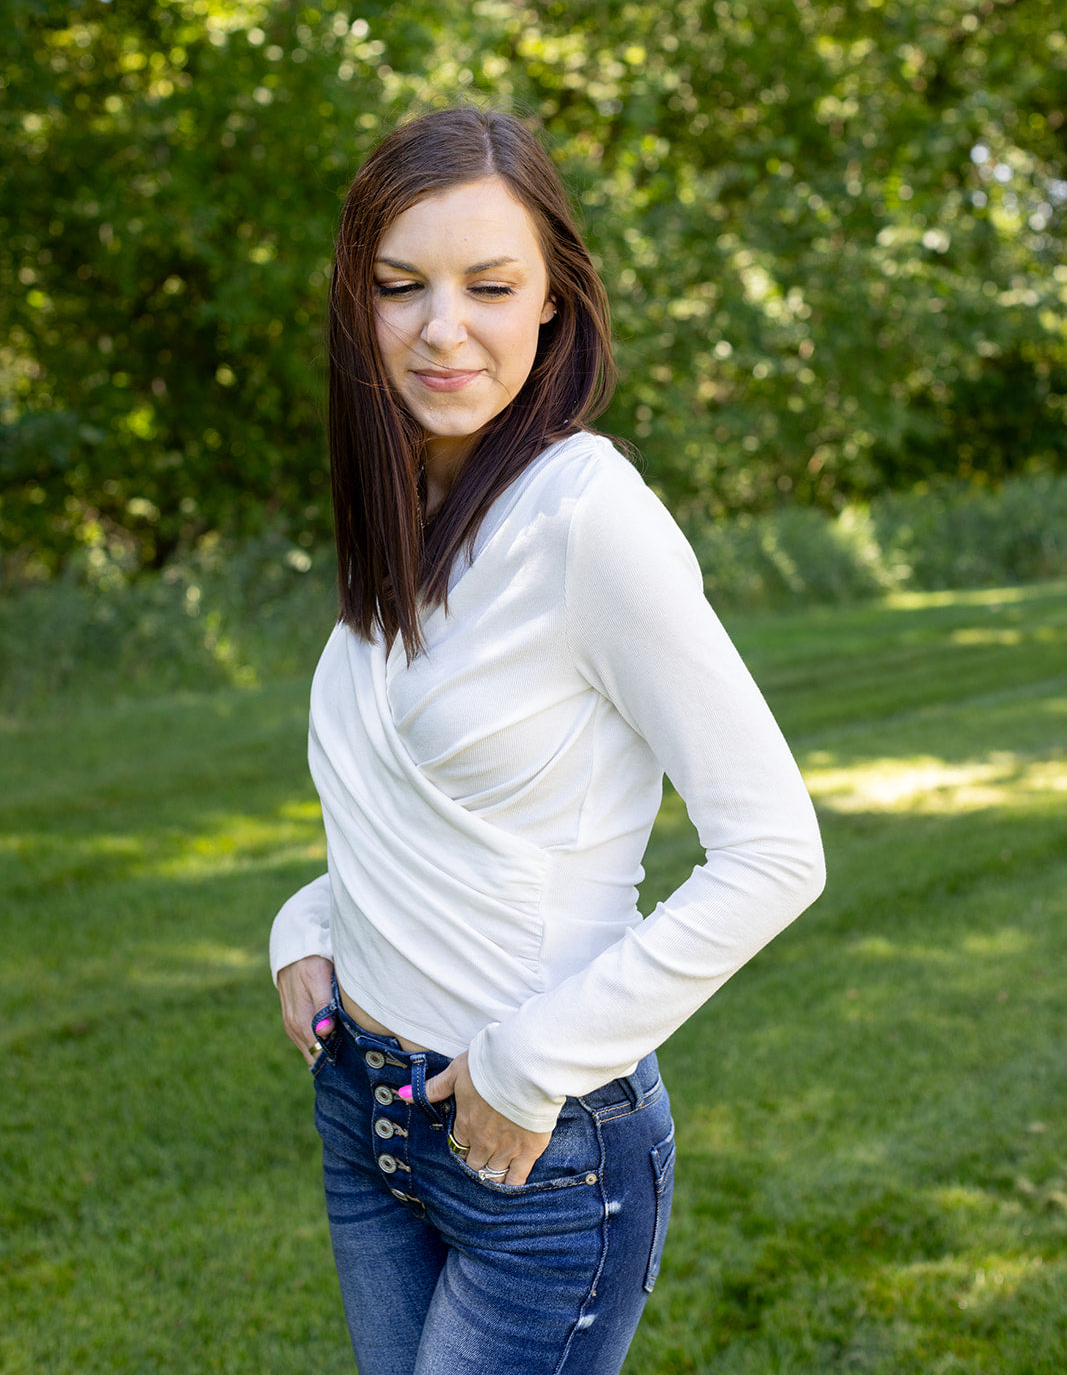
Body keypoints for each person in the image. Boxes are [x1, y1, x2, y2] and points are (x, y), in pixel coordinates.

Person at [270, 106, 825, 1375]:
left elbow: (773, 851)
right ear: (358, 305)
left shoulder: (587, 519)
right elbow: (429, 795)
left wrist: (527, 1067)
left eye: (488, 285)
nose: (440, 327)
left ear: (552, 305)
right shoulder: (411, 497)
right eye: (400, 286)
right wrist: (311, 923)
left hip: (537, 1146)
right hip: (369, 1108)